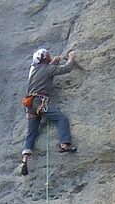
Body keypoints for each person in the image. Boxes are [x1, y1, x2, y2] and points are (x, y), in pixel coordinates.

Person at [20, 47, 81, 175]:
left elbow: (45, 73)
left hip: (29, 104)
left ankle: (25, 157)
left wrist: (54, 62)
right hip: (39, 103)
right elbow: (67, 68)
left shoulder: (34, 70)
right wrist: (71, 57)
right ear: (44, 58)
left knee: (32, 131)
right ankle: (64, 144)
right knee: (61, 118)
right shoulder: (48, 69)